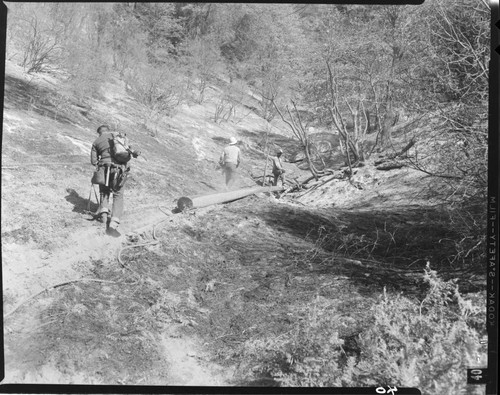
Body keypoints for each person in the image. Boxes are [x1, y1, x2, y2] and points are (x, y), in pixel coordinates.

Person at [90, 124, 140, 235]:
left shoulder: (97, 141)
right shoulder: (118, 137)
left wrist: (102, 161)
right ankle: (113, 223)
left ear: (99, 133)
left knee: (104, 191)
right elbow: (130, 151)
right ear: (108, 130)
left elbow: (93, 161)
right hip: (119, 170)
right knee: (118, 194)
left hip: (104, 169)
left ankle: (103, 216)